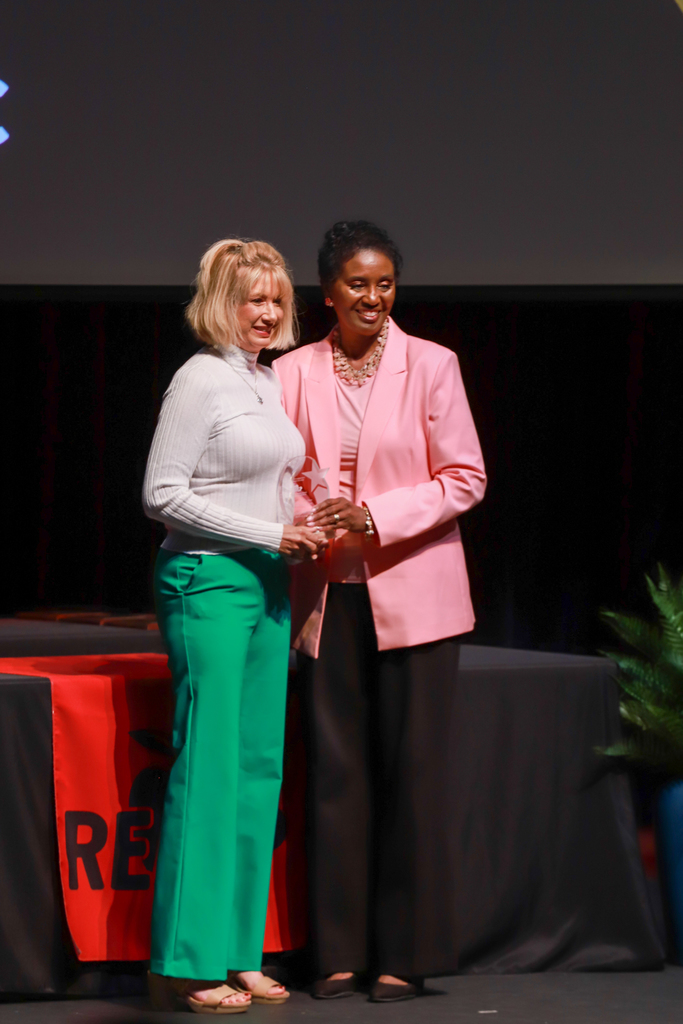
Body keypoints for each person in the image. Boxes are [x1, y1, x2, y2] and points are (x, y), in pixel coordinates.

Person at [274, 221, 486, 1003]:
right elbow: (281, 465)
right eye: (357, 284)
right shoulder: (291, 370)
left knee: (412, 775)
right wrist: (318, 506)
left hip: (417, 601)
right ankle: (334, 952)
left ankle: (404, 953)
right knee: (333, 777)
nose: (373, 297)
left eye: (385, 283)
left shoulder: (432, 364)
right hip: (326, 599)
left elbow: (465, 477)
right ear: (328, 292)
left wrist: (374, 515)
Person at [143, 238, 324, 1014]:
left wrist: (301, 523)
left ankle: (237, 950)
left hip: (266, 585)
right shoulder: (199, 379)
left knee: (257, 772)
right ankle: (185, 962)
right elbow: (161, 494)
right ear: (221, 301)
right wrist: (264, 535)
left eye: (277, 299)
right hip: (207, 580)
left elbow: (266, 486)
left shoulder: (266, 380)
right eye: (253, 298)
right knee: (210, 769)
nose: (268, 312)